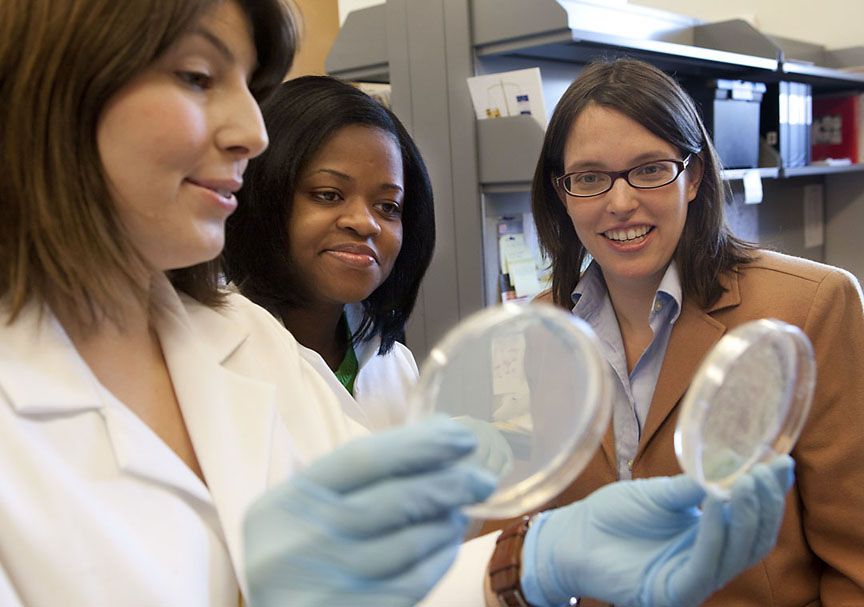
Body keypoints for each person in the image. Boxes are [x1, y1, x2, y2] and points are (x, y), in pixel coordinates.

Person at [0, 1, 797, 603]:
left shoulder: (243, 340)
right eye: (198, 77)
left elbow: (396, 581)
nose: (251, 128)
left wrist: (525, 563)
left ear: (695, 176)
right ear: (54, 85)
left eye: (250, 87)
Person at [483, 58, 864, 606]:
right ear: (562, 193)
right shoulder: (543, 329)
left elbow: (856, 557)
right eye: (590, 178)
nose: (620, 203)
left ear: (693, 177)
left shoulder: (809, 307)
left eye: (650, 169)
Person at [222, 75, 433, 439]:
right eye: (328, 194)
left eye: (387, 206)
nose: (365, 223)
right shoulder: (210, 357)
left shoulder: (394, 364)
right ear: (263, 195)